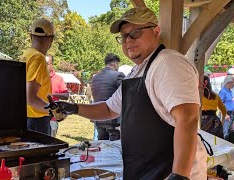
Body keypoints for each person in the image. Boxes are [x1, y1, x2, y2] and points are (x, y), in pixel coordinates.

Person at [52, 7, 207, 179]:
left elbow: (187, 118)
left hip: (170, 171)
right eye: (124, 36)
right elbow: (109, 109)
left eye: (135, 33)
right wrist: (73, 108)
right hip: (146, 168)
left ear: (156, 31)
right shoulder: (136, 72)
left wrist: (180, 175)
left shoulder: (168, 63)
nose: (128, 41)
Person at [19, 18, 55, 136]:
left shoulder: (25, 55)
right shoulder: (38, 58)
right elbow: (31, 98)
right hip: (37, 119)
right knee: (41, 154)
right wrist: (54, 111)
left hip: (26, 116)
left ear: (31, 36)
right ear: (51, 39)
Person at [91, 53, 125, 141]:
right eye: (118, 64)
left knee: (102, 145)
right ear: (114, 63)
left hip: (98, 116)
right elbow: (126, 94)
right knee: (115, 146)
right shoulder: (118, 75)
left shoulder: (95, 77)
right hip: (113, 118)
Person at [46, 54, 69, 137]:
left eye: (47, 63)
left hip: (52, 118)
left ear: (51, 64)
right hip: (37, 117)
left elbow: (66, 95)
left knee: (50, 142)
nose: (44, 66)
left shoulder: (58, 79)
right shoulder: (38, 77)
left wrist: (52, 94)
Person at [219, 75, 234, 139]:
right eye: (233, 82)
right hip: (226, 113)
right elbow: (220, 104)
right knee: (225, 132)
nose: (233, 84)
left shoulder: (230, 91)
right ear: (229, 83)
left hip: (231, 113)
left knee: (229, 131)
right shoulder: (223, 91)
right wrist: (225, 114)